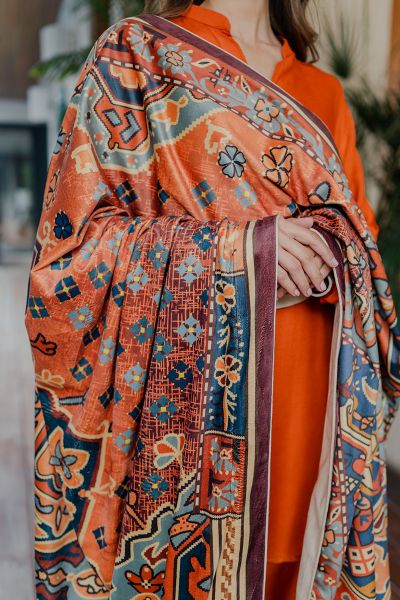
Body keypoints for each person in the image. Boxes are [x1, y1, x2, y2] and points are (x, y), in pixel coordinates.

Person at [24, 0, 399, 598]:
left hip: (312, 422)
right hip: (183, 439)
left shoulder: (320, 91)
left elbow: (363, 246)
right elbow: (71, 253)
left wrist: (324, 256)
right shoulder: (136, 56)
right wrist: (243, 254)